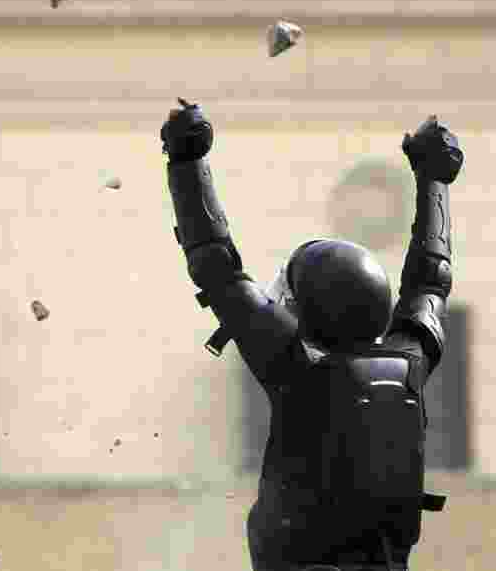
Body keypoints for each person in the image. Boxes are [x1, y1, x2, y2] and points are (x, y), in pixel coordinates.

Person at [161, 99, 463, 571]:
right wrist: (436, 178)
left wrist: (186, 160)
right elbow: (431, 281)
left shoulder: (297, 374)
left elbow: (215, 265)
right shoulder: (410, 364)